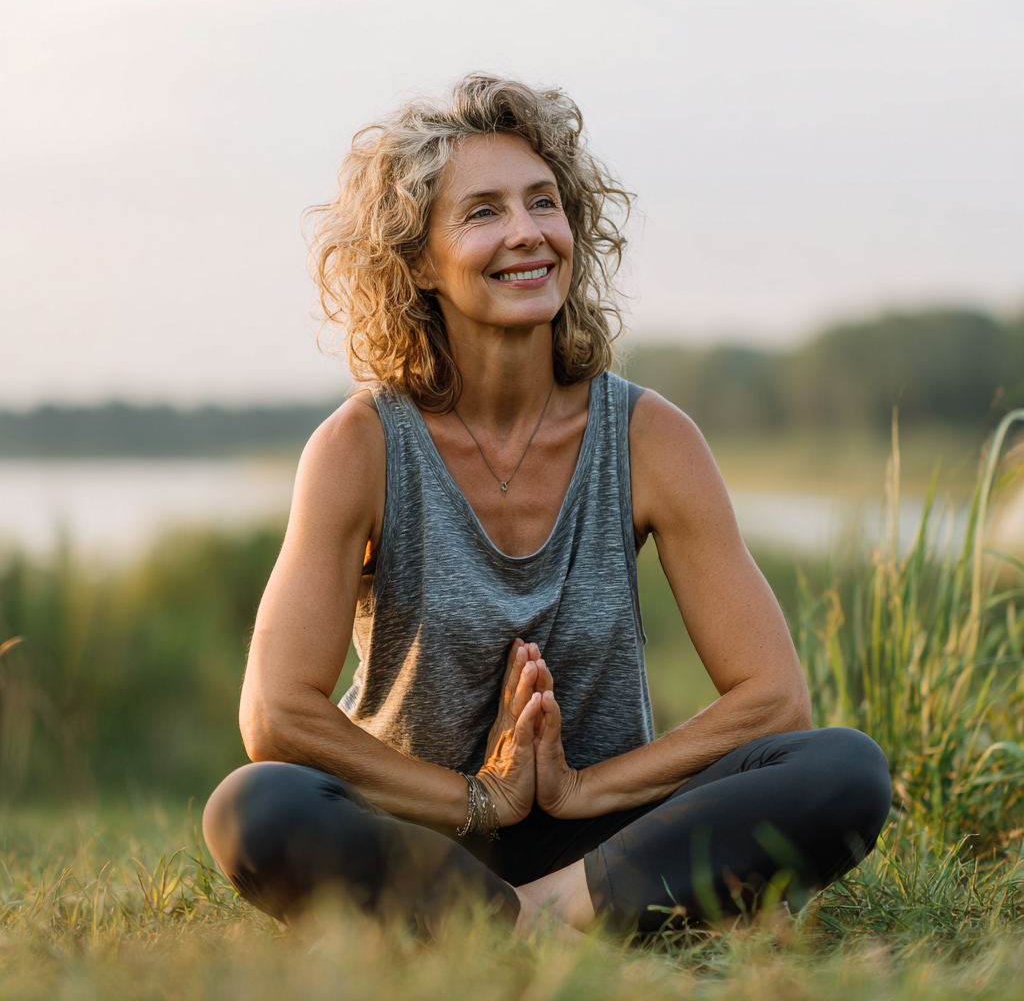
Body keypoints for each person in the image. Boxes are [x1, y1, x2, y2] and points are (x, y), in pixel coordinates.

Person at [202, 74, 891, 937]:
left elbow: (772, 700)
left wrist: (576, 791)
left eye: (543, 203)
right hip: (419, 829)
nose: (527, 233)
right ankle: (546, 919)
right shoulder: (359, 449)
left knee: (844, 769)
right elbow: (275, 714)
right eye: (483, 211)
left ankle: (540, 913)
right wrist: (481, 800)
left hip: (605, 839)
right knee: (253, 804)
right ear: (418, 260)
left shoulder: (649, 437)